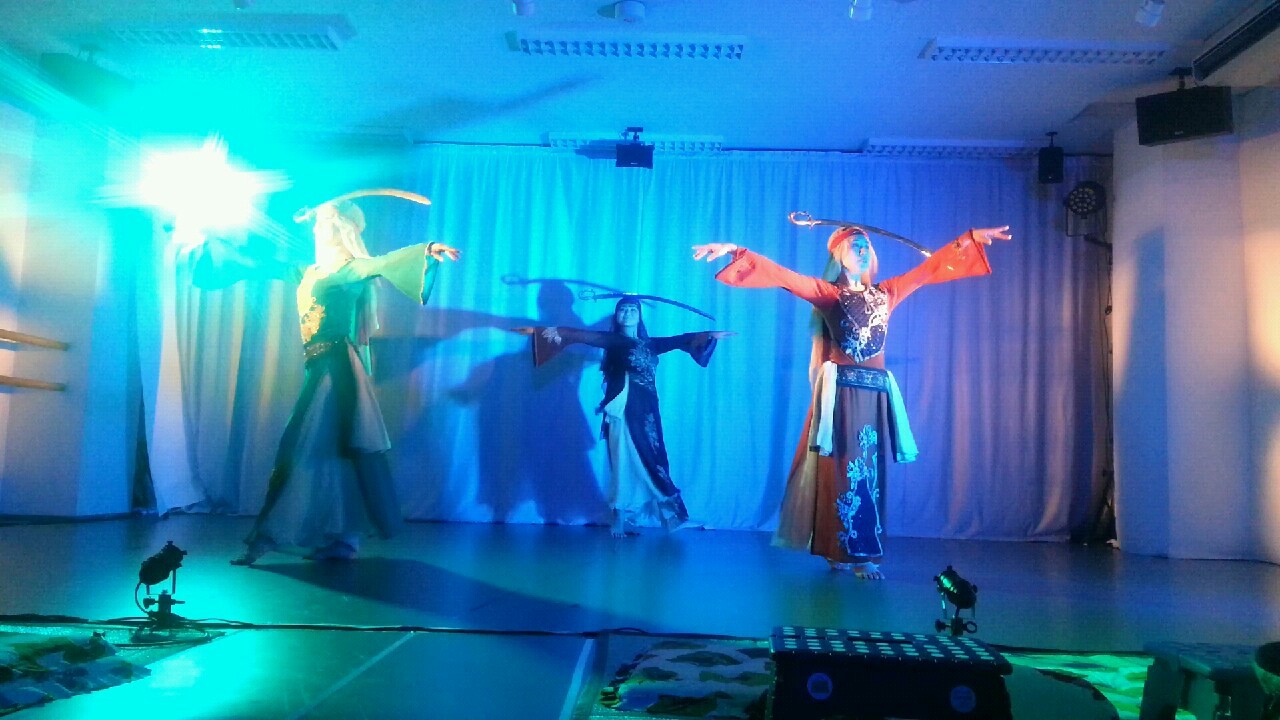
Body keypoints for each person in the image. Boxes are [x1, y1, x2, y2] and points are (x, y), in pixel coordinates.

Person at [693, 224, 1011, 579]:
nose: (862, 250)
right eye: (855, 245)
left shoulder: (887, 293)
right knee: (841, 469)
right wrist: (735, 249)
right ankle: (840, 548)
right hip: (842, 395)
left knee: (868, 472)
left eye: (866, 246)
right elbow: (783, 277)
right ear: (838, 255)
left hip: (873, 397)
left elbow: (928, 271)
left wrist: (968, 240)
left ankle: (862, 553)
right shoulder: (829, 295)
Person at [231, 198, 460, 565]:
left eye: (324, 224)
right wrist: (214, 244)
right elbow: (262, 265)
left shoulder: (349, 270)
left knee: (310, 446)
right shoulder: (308, 272)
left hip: (336, 370)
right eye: (318, 224)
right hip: (318, 368)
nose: (317, 230)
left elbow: (383, 263)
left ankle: (276, 537)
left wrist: (427, 250)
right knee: (326, 451)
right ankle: (341, 538)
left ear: (340, 229)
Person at [515, 296, 731, 537]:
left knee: (654, 459)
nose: (627, 313)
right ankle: (619, 517)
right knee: (623, 460)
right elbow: (576, 334)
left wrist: (708, 335)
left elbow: (681, 339)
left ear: (639, 315)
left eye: (632, 309)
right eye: (623, 310)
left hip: (647, 410)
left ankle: (668, 516)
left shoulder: (650, 344)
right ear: (617, 316)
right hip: (623, 408)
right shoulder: (612, 341)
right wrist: (538, 331)